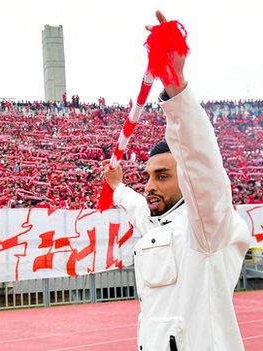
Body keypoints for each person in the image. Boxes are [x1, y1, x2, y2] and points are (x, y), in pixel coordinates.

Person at [101, 11, 250, 350]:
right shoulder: (155, 224)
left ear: (188, 181)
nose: (150, 185)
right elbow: (138, 205)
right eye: (149, 176)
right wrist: (117, 187)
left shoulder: (207, 230)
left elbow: (203, 167)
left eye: (163, 176)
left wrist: (175, 87)